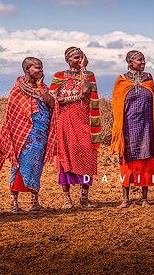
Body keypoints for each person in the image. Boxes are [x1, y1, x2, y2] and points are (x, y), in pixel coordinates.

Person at [1, 57, 58, 214]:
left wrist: (41, 86)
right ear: (27, 69)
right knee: (18, 165)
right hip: (22, 134)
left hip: (40, 132)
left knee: (37, 165)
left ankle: (34, 202)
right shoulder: (17, 88)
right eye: (37, 68)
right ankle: (14, 203)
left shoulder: (43, 87)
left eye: (41, 68)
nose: (41, 71)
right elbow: (12, 114)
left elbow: (51, 103)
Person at [49, 47, 101, 209]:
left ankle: (84, 198)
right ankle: (66, 199)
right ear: (68, 60)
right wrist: (74, 97)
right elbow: (53, 99)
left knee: (87, 156)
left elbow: (86, 90)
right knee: (65, 157)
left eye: (82, 58)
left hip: (84, 121)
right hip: (64, 120)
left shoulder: (88, 75)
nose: (80, 60)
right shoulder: (58, 76)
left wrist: (84, 70)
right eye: (77, 58)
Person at [110, 50, 154, 208]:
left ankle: (144, 198)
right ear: (130, 62)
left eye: (144, 60)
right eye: (139, 60)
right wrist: (119, 128)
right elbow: (117, 106)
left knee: (146, 162)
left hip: (146, 126)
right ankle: (126, 198)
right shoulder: (121, 81)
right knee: (127, 163)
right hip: (128, 127)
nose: (143, 63)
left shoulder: (148, 79)